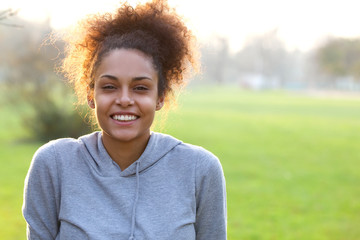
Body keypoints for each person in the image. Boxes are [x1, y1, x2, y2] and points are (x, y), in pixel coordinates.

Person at [22, 0, 227, 239]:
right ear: (91, 95)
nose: (125, 99)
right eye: (110, 86)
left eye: (140, 88)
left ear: (160, 97)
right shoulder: (55, 164)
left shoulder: (199, 169)